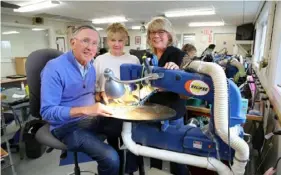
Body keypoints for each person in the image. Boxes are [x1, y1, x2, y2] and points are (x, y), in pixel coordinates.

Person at [40, 25, 120, 175]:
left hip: (89, 119)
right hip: (66, 127)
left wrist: (99, 96)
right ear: (73, 43)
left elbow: (85, 94)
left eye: (95, 43)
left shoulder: (90, 66)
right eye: (85, 41)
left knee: (124, 125)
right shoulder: (54, 68)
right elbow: (47, 112)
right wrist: (87, 110)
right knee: (110, 158)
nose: (90, 47)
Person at [142, 16, 189, 175]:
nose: (155, 36)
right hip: (151, 113)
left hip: (173, 113)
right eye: (152, 32)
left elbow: (187, 92)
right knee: (154, 154)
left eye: (161, 31)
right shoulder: (148, 57)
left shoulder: (180, 56)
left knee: (177, 157)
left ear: (169, 35)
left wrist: (178, 73)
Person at [94, 23, 140, 104]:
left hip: (130, 104)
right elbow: (92, 86)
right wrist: (100, 94)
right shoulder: (99, 60)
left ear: (125, 41)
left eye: (120, 40)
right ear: (107, 41)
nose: (116, 44)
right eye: (113, 40)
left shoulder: (134, 60)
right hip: (107, 104)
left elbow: (139, 85)